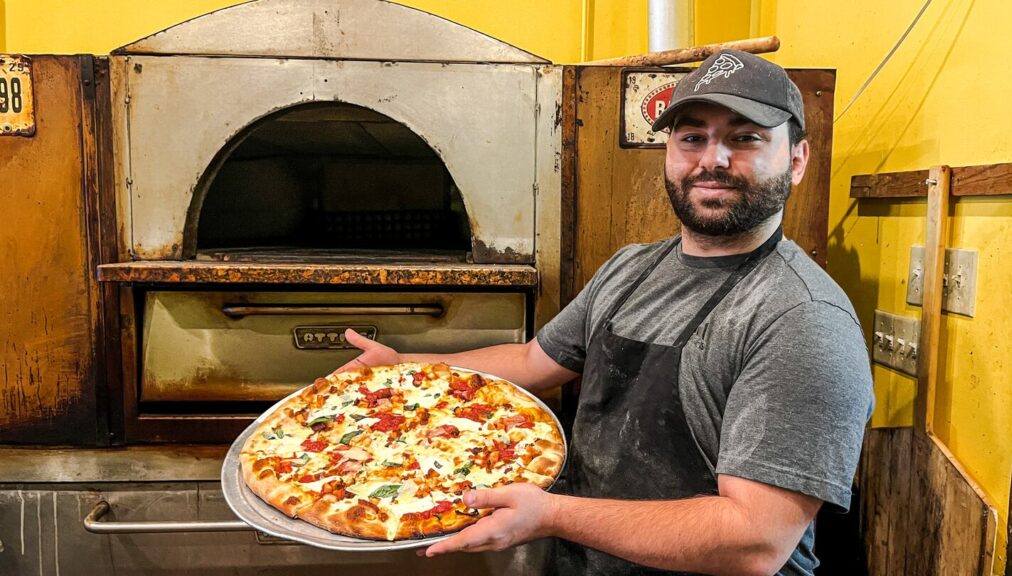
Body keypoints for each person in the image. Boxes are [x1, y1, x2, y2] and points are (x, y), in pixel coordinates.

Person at [334, 49, 874, 576]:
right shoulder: (631, 269)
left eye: (745, 137)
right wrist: (405, 368)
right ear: (668, 152)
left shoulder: (803, 318)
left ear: (798, 160)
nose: (713, 159)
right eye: (692, 138)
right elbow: (530, 362)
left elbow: (754, 543)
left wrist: (551, 515)